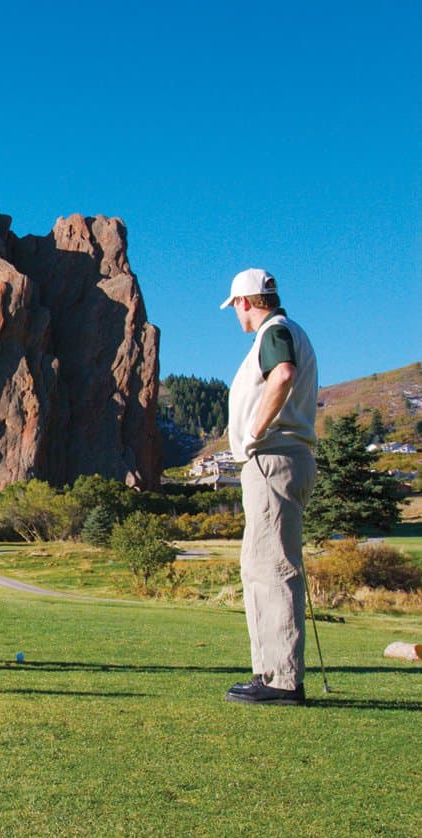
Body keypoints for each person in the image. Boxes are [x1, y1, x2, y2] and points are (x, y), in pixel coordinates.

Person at [220, 269, 318, 705]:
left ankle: (281, 680)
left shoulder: (274, 332)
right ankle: (271, 672)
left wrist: (253, 434)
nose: (235, 315)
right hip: (283, 459)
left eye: (235, 306)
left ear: (245, 301)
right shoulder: (287, 329)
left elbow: (282, 375)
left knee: (271, 567)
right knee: (261, 565)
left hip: (273, 458)